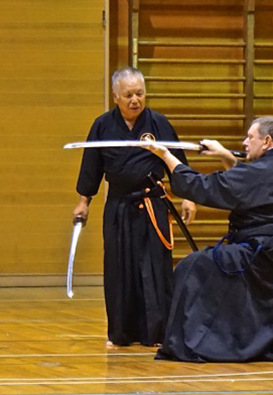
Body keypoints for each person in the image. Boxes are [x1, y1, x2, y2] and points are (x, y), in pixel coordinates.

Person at [144, 116, 273, 362]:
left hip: (261, 257)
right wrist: (225, 155)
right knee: (207, 263)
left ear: (267, 141)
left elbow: (202, 186)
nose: (245, 142)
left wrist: (165, 155)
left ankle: (195, 341)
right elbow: (250, 187)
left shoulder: (259, 172)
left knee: (192, 266)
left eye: (251, 137)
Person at [73, 67, 197, 347]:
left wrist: (188, 196)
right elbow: (91, 167)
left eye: (140, 94)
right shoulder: (102, 126)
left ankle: (156, 333)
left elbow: (176, 161)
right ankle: (120, 333)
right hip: (118, 206)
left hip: (152, 205)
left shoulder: (159, 123)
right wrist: (83, 201)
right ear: (115, 96)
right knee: (119, 268)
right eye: (128, 95)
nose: (135, 100)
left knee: (155, 268)